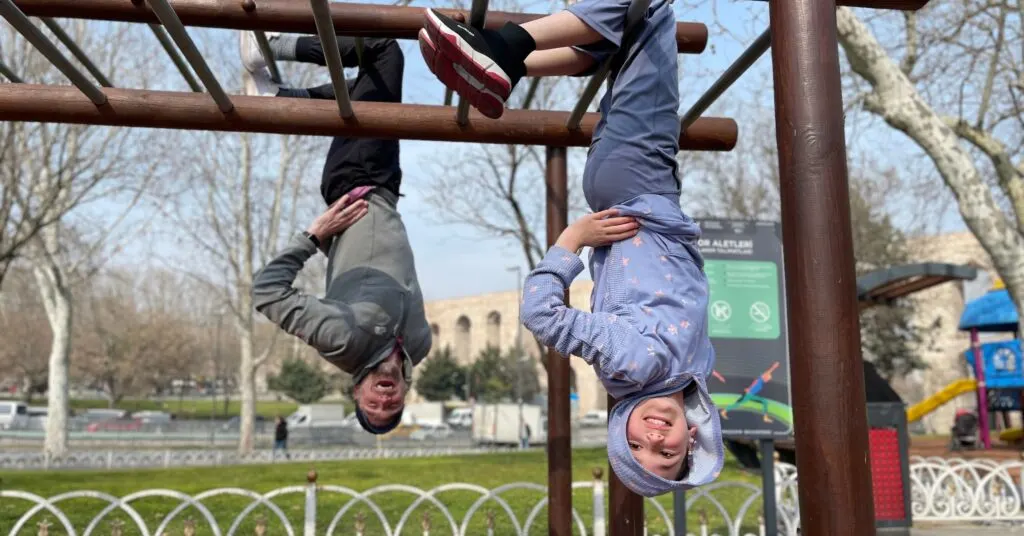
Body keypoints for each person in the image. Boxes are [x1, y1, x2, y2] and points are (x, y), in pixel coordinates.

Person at [418, 0, 724, 497]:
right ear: (693, 439)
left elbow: (541, 314)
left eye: (638, 447)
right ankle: (510, 65)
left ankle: (505, 49)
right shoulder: (685, 371)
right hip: (642, 182)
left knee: (651, 11)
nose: (652, 438)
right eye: (666, 453)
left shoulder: (636, 366)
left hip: (635, 182)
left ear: (619, 431)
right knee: (623, 38)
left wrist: (571, 241)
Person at [244, 33, 431, 436]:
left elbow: (266, 293)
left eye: (373, 405)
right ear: (404, 394)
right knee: (366, 86)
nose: (384, 399)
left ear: (356, 389)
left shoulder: (342, 342)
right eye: (391, 406)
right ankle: (278, 96)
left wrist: (313, 235)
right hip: (385, 188)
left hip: (356, 182)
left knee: (382, 51)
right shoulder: (418, 346)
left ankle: (272, 47)